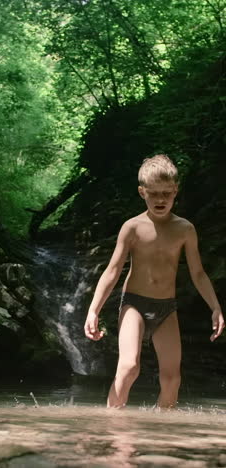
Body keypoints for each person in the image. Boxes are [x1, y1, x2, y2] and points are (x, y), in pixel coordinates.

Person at [84, 154, 224, 409]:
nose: (160, 200)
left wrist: (215, 307)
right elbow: (113, 270)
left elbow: (199, 273)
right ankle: (112, 424)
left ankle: (159, 431)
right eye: (154, 193)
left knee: (172, 379)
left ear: (175, 191)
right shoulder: (132, 227)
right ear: (142, 192)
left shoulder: (185, 229)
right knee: (128, 366)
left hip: (166, 307)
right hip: (134, 304)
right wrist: (94, 310)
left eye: (166, 194)